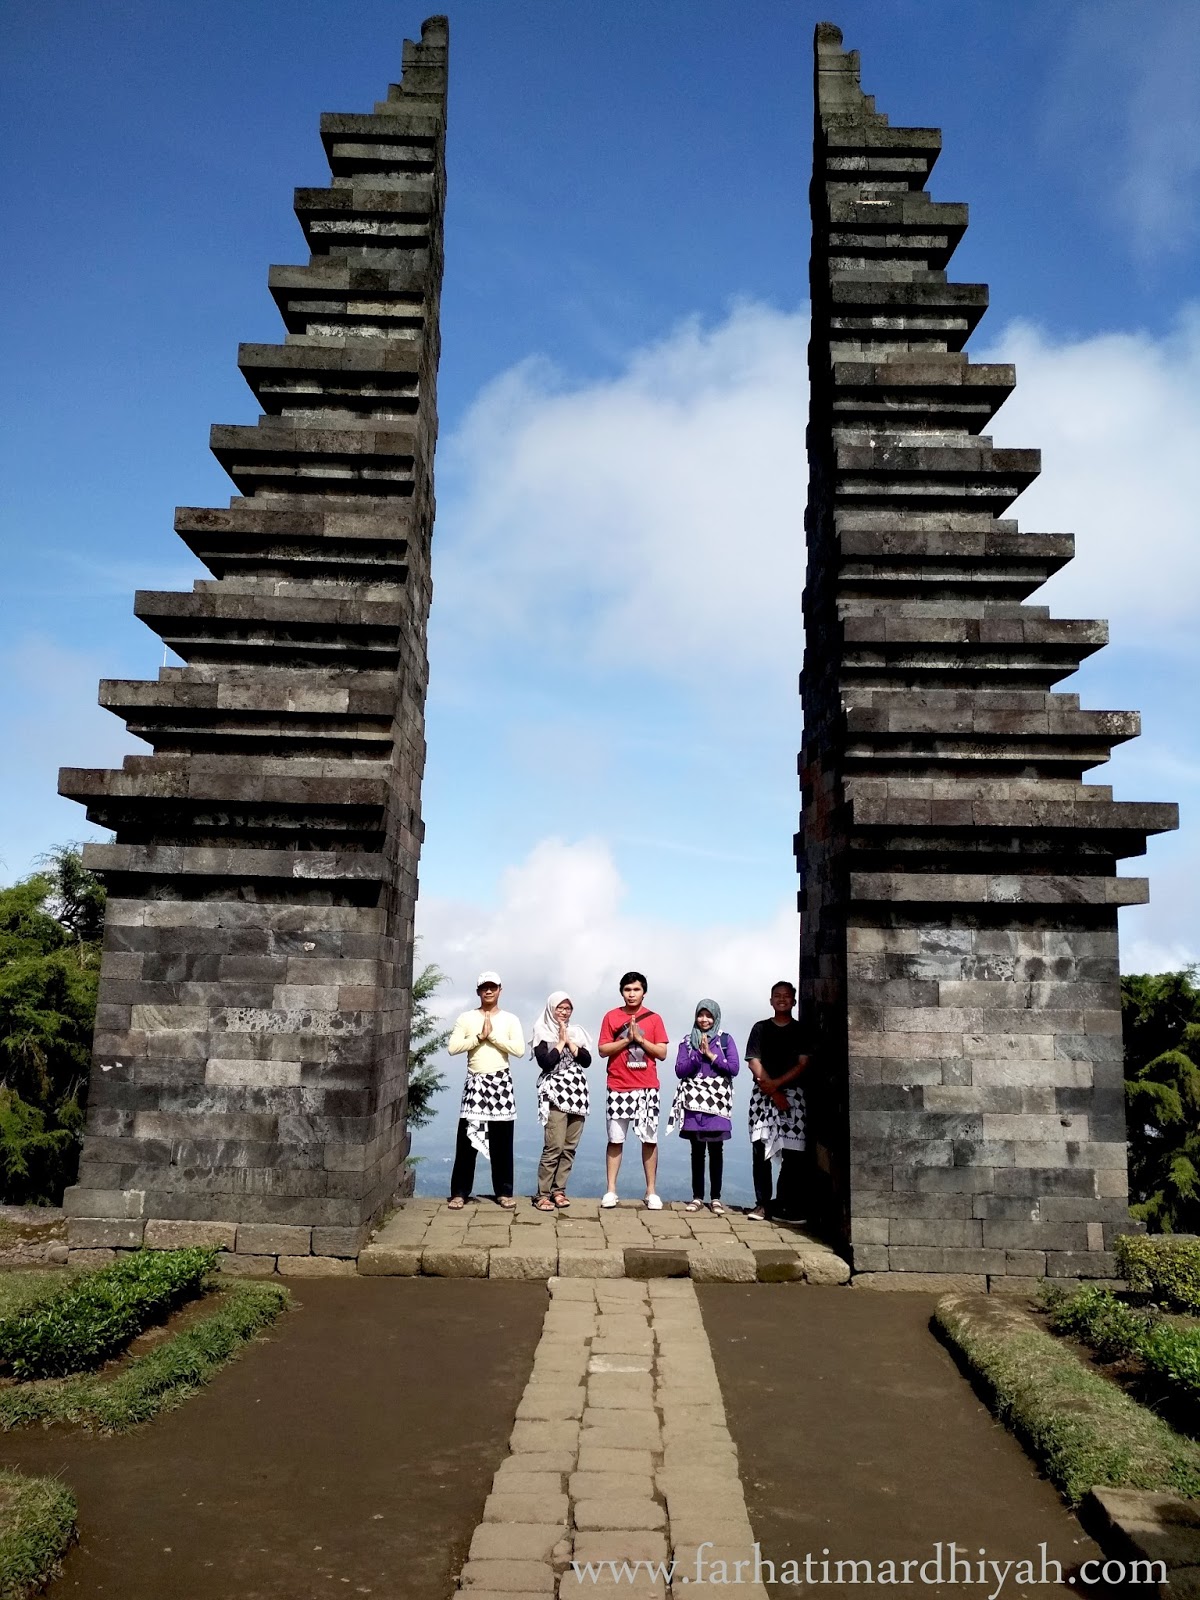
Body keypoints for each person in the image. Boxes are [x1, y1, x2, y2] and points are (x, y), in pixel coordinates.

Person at [446, 971, 526, 1209]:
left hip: (501, 1082)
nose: (488, 991)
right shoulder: (466, 1018)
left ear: (500, 989)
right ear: (478, 991)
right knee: (467, 1141)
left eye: (493, 987)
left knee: (502, 1141)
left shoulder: (510, 1019)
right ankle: (460, 1192)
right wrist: (479, 1037)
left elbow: (519, 1049)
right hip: (476, 1083)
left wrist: (493, 1038)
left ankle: (503, 1192)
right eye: (484, 988)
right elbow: (453, 1047)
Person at [597, 970, 668, 1210]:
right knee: (615, 1139)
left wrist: (640, 1039)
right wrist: (628, 1040)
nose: (631, 994)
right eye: (627, 990)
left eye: (636, 989)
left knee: (649, 1139)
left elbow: (662, 1053)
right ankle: (611, 1190)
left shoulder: (655, 1019)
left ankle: (651, 1191)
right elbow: (603, 1049)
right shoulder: (611, 1016)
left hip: (647, 1086)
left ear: (644, 992)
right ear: (621, 992)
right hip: (618, 1084)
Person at [744, 979, 810, 1222]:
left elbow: (803, 1063)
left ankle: (783, 1205)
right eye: (777, 995)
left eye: (786, 996)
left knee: (793, 1153)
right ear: (771, 1000)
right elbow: (754, 1062)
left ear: (793, 1000)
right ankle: (762, 1204)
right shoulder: (760, 1028)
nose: (781, 999)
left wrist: (778, 1086)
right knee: (760, 1149)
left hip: (793, 1097)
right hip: (763, 1096)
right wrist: (773, 1090)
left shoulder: (801, 1030)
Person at [668, 997, 739, 1214]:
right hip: (693, 1106)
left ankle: (715, 1197)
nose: (704, 1019)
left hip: (717, 1105)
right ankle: (697, 1196)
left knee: (716, 1150)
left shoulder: (725, 1040)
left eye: (709, 1015)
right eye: (701, 1014)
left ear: (716, 1017)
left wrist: (712, 1055)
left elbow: (733, 1068)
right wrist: (699, 1055)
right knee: (697, 1151)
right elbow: (680, 1070)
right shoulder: (687, 1041)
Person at [530, 990, 593, 1211]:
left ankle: (559, 1190)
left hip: (577, 1094)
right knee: (553, 1146)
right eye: (560, 1008)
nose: (564, 1012)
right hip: (555, 1094)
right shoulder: (541, 1032)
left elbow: (586, 1061)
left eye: (567, 1008)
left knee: (569, 1147)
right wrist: (560, 1042)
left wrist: (570, 1042)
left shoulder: (577, 1032)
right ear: (551, 1008)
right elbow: (546, 1063)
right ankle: (542, 1194)